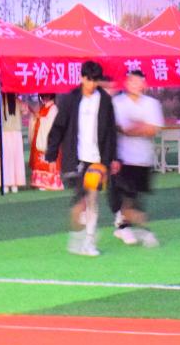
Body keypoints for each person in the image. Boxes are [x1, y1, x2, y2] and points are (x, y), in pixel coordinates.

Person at [45, 60, 118, 257]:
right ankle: (78, 236)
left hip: (97, 160)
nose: (92, 84)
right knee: (79, 204)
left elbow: (111, 131)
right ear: (82, 78)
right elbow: (58, 127)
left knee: (92, 198)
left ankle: (89, 241)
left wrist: (113, 158)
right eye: (89, 80)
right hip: (76, 159)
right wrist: (51, 155)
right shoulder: (70, 99)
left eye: (95, 80)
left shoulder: (105, 100)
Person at [111, 70, 164, 247]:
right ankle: (136, 229)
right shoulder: (118, 103)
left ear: (144, 84)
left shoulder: (151, 104)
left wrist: (135, 127)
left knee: (137, 197)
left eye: (138, 81)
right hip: (124, 159)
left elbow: (153, 129)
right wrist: (139, 127)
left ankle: (123, 224)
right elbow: (120, 128)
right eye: (131, 81)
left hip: (144, 158)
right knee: (129, 196)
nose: (135, 85)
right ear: (126, 84)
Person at [0, 93, 26, 193]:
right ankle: (15, 184)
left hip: (4, 133)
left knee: (5, 159)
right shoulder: (18, 101)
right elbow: (25, 110)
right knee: (15, 159)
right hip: (16, 134)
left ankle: (5, 184)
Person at [29, 93, 63, 190]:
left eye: (47, 96)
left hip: (48, 138)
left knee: (48, 161)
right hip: (39, 137)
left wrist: (40, 118)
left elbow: (51, 123)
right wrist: (36, 117)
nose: (44, 98)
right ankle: (39, 182)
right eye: (43, 96)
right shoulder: (43, 107)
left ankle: (50, 182)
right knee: (39, 161)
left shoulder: (53, 108)